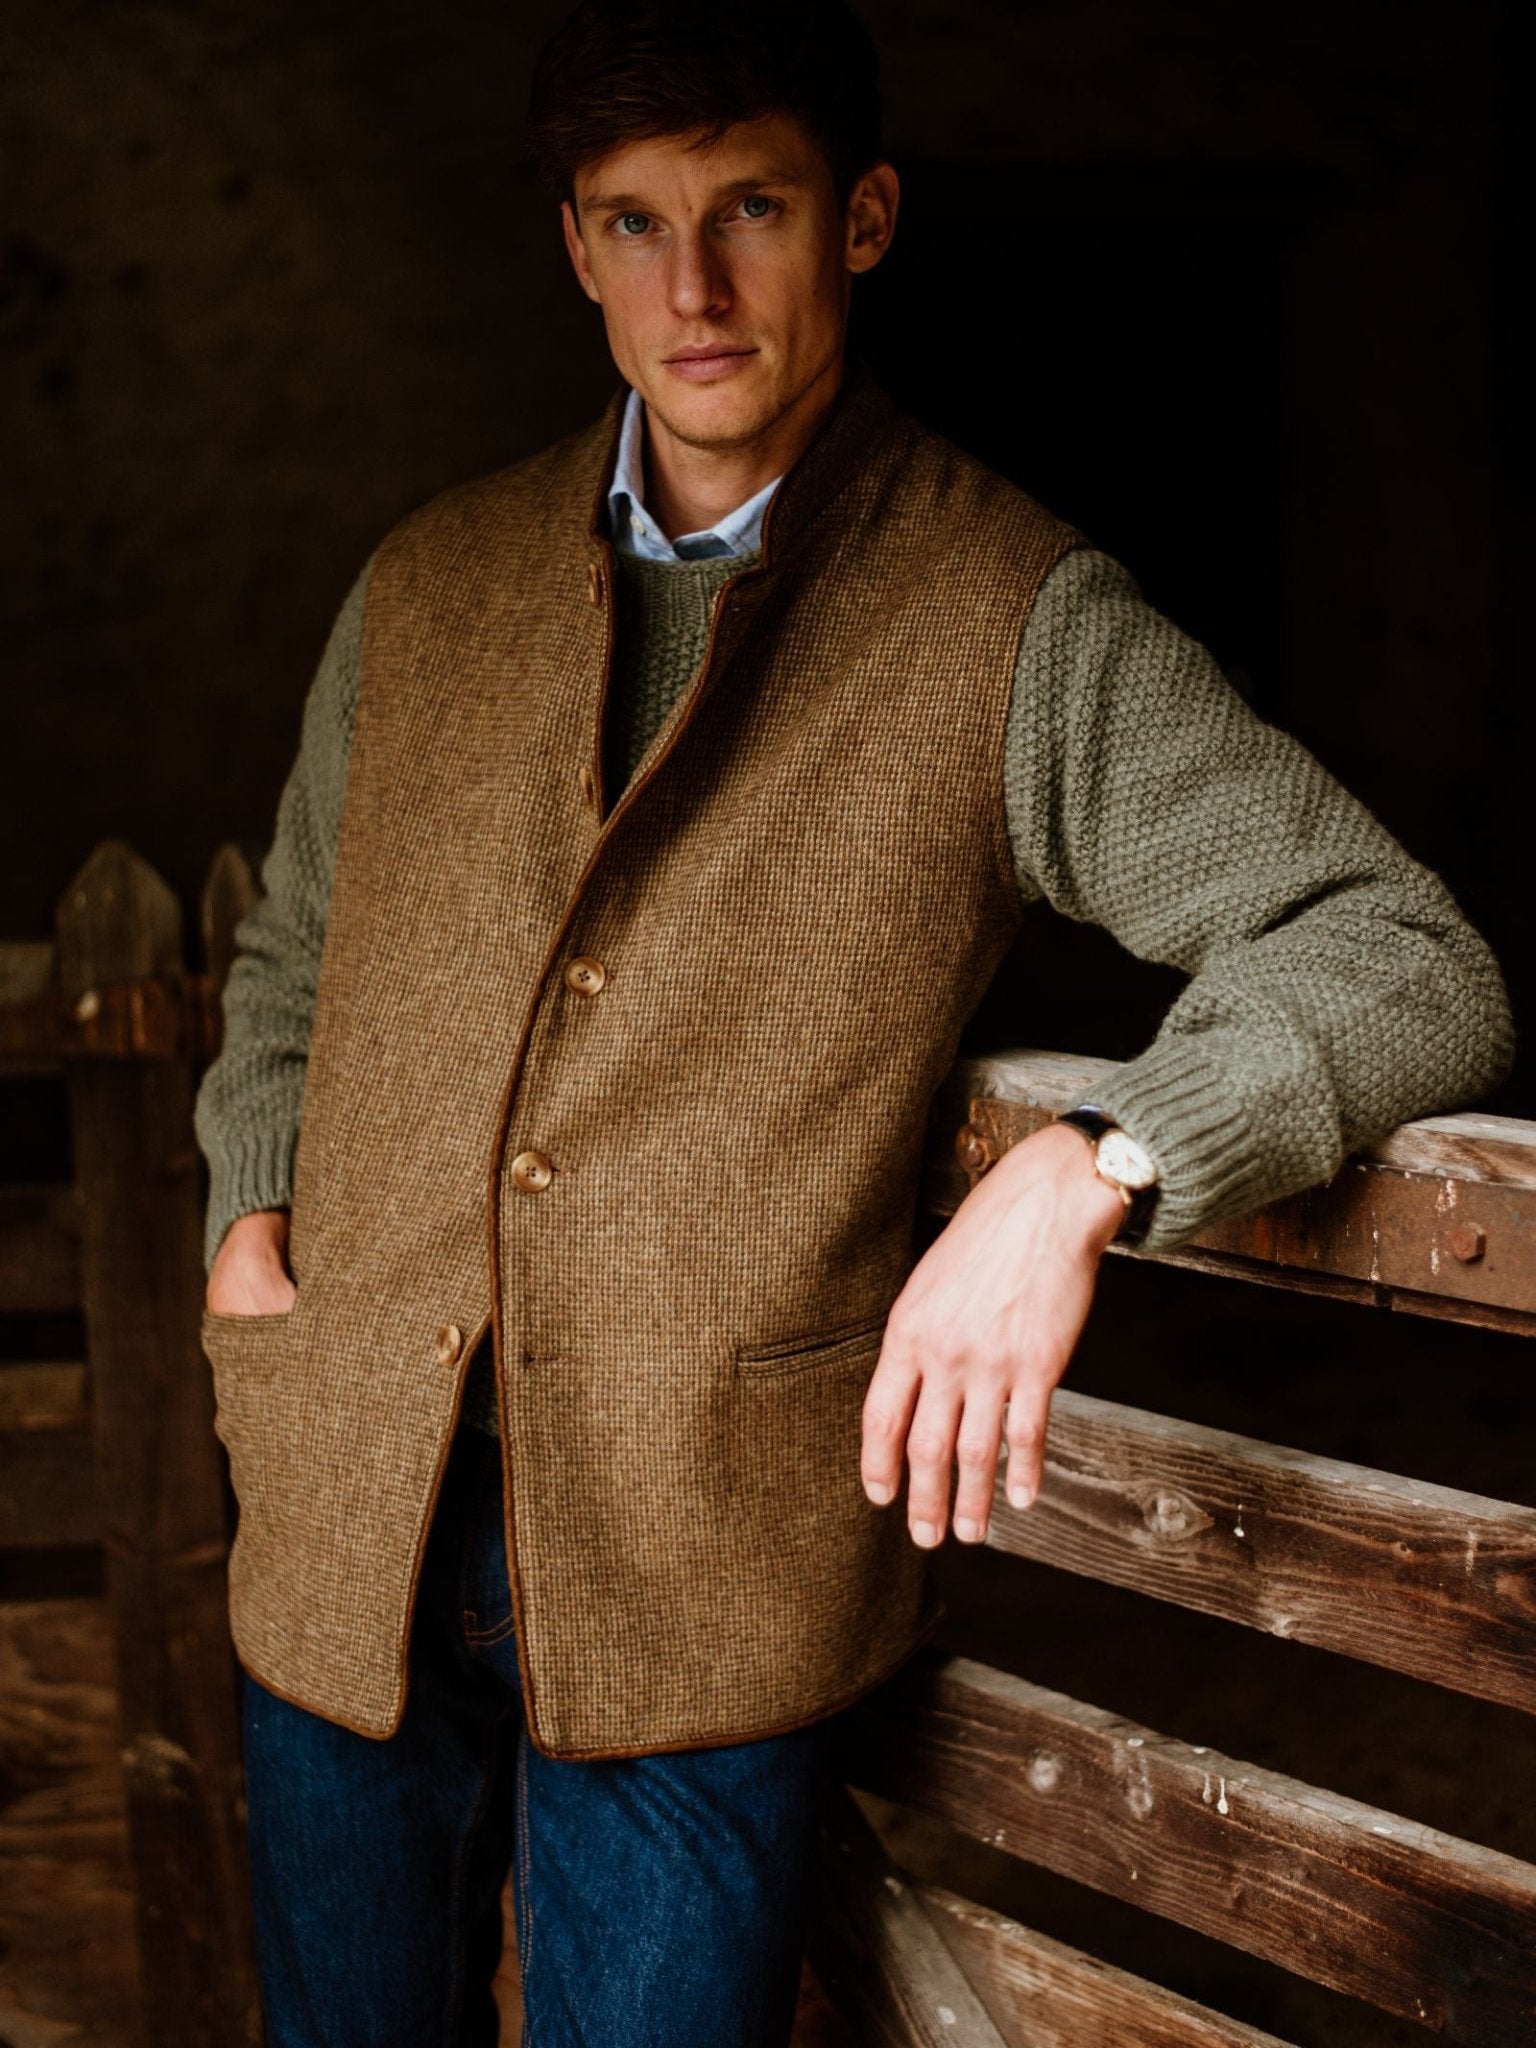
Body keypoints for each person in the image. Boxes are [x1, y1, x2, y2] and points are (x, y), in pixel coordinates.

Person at [192, 2, 1514, 2042]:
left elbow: (1405, 949)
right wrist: (249, 1231)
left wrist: (1095, 1164)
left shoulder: (1016, 618)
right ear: (572, 245)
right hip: (344, 1498)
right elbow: (291, 957)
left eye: (753, 210)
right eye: (635, 223)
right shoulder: (425, 583)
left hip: (706, 1563)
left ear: (865, 219)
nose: (694, 290)